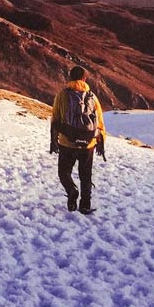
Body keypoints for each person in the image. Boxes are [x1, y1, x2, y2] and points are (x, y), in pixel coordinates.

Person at [50, 66, 106, 214]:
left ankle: (71, 190)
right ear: (84, 78)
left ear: (70, 77)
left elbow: (55, 118)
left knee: (64, 172)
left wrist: (53, 140)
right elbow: (99, 122)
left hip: (67, 142)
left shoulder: (62, 95)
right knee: (86, 175)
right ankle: (85, 205)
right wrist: (101, 142)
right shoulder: (92, 96)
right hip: (88, 143)